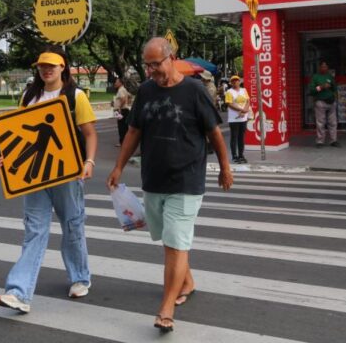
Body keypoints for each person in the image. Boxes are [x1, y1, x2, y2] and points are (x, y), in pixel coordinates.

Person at [106, 37, 233, 333]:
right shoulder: (147, 91)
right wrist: (118, 166)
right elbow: (135, 130)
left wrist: (225, 168)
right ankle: (186, 281)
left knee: (175, 244)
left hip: (186, 179)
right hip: (154, 179)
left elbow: (214, 132)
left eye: (156, 64)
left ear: (171, 58)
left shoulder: (194, 91)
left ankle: (166, 307)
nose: (151, 71)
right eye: (147, 65)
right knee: (168, 239)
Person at [0, 47, 98, 314]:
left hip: (67, 174)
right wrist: (5, 159)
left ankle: (79, 277)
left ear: (63, 67)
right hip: (35, 177)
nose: (46, 69)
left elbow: (89, 134)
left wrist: (89, 162)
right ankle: (18, 292)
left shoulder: (76, 97)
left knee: (72, 226)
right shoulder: (29, 95)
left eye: (52, 65)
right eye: (42, 65)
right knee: (34, 231)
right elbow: (18, 131)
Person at [309, 60, 340, 148]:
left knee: (333, 122)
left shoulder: (330, 76)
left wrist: (335, 97)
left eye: (326, 67)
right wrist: (321, 87)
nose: (324, 68)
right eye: (322, 66)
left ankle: (333, 140)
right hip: (320, 102)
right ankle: (320, 141)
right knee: (320, 122)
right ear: (319, 67)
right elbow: (312, 90)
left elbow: (334, 88)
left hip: (331, 102)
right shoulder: (315, 77)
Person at [224, 75, 250, 163]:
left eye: (237, 80)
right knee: (234, 136)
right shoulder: (229, 92)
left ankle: (241, 155)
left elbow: (248, 100)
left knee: (241, 137)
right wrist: (241, 109)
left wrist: (245, 110)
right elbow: (229, 104)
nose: (235, 82)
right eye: (233, 81)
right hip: (233, 118)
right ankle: (234, 156)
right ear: (231, 83)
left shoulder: (244, 90)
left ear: (239, 81)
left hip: (243, 117)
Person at [112, 76, 133, 147]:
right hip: (124, 110)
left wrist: (120, 107)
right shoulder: (124, 89)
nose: (115, 83)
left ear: (120, 83)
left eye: (116, 82)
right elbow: (130, 96)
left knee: (121, 127)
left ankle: (122, 142)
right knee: (125, 127)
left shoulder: (121, 90)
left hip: (122, 110)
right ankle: (126, 141)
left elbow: (123, 99)